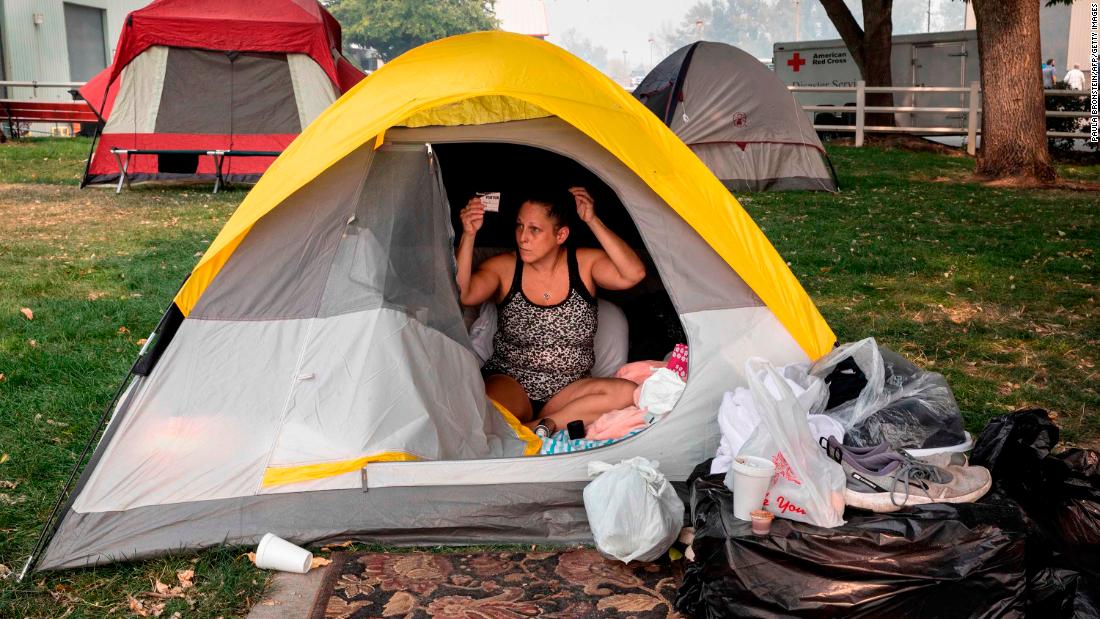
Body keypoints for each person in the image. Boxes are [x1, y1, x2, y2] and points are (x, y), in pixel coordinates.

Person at [456, 187, 646, 431]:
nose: (523, 237)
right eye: (519, 226)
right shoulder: (504, 266)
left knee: (628, 393)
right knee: (483, 411)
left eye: (534, 229)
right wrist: (469, 234)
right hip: (512, 383)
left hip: (568, 391)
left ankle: (538, 427)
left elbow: (634, 273)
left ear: (561, 235)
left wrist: (592, 220)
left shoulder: (585, 263)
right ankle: (546, 427)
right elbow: (465, 294)